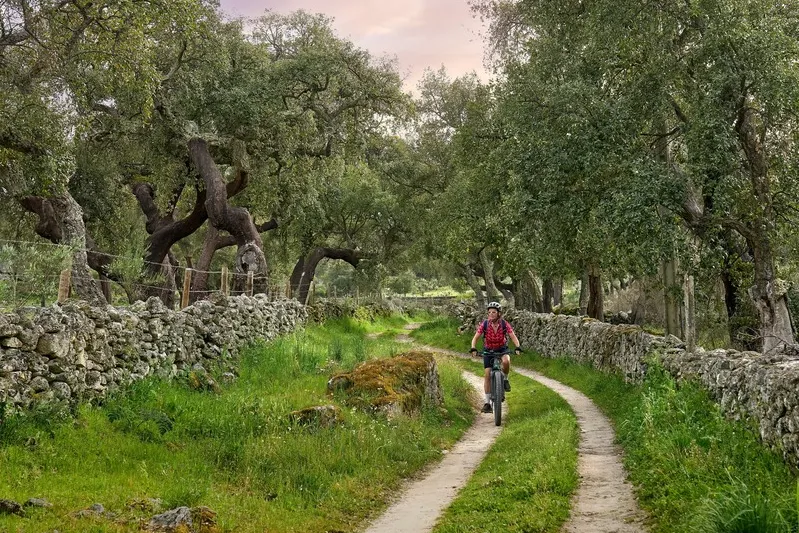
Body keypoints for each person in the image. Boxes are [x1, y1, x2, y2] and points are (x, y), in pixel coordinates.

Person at [469, 302, 522, 413]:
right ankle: (488, 403)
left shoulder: (504, 324)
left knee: (506, 361)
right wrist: (473, 348)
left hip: (502, 349)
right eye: (489, 312)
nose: (491, 314)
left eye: (494, 312)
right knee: (487, 374)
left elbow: (512, 336)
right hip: (488, 350)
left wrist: (517, 347)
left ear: (499, 313)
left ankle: (505, 380)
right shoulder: (485, 324)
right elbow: (475, 338)